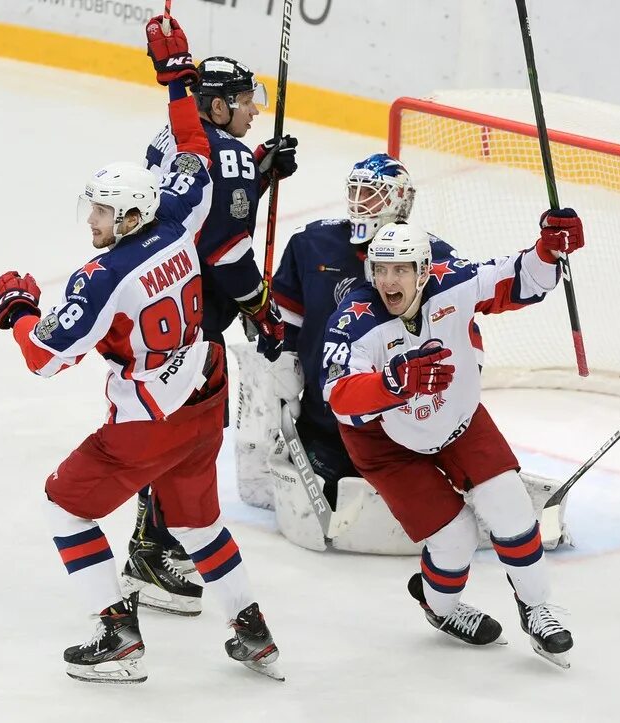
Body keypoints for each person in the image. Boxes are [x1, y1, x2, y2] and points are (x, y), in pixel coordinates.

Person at [0, 17, 283, 683]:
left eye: (100, 212)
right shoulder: (180, 220)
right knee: (200, 523)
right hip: (205, 395)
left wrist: (18, 310)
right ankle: (252, 628)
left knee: (65, 504)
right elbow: (195, 149)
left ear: (127, 217)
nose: (91, 220)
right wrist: (177, 76)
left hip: (148, 420)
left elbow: (44, 355)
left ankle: (116, 633)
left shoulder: (102, 280)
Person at [236, 154, 572, 555]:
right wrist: (281, 357)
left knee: (448, 495)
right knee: (326, 495)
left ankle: (475, 518)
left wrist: (462, 377)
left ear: (400, 201)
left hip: (407, 420)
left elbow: (467, 313)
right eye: (355, 192)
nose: (360, 203)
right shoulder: (312, 244)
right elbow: (285, 316)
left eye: (372, 194)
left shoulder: (430, 254)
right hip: (328, 419)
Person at [320, 215, 584, 668]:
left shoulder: (452, 283)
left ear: (424, 271)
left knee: (511, 506)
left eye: (400, 269)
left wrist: (548, 249)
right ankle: (437, 607)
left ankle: (537, 606)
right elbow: (339, 398)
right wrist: (395, 384)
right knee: (456, 538)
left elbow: (521, 280)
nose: (388, 280)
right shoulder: (354, 321)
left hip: (458, 420)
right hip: (385, 444)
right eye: (380, 269)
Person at [122, 33, 299, 614]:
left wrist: (258, 174)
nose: (255, 109)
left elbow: (196, 208)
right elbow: (225, 249)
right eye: (246, 101)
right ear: (218, 108)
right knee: (186, 436)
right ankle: (151, 551)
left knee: (173, 430)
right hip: (196, 319)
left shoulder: (168, 138)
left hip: (160, 307)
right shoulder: (227, 158)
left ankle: (156, 542)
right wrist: (260, 307)